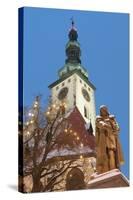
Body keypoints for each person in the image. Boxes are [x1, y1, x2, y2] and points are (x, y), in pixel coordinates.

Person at [96, 105, 124, 174]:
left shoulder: (111, 119)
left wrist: (112, 123)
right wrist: (106, 125)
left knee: (111, 153)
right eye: (101, 110)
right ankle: (105, 169)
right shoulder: (99, 119)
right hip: (103, 139)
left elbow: (117, 128)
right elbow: (100, 125)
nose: (103, 112)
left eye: (104, 110)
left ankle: (113, 169)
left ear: (106, 111)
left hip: (111, 138)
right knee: (104, 155)